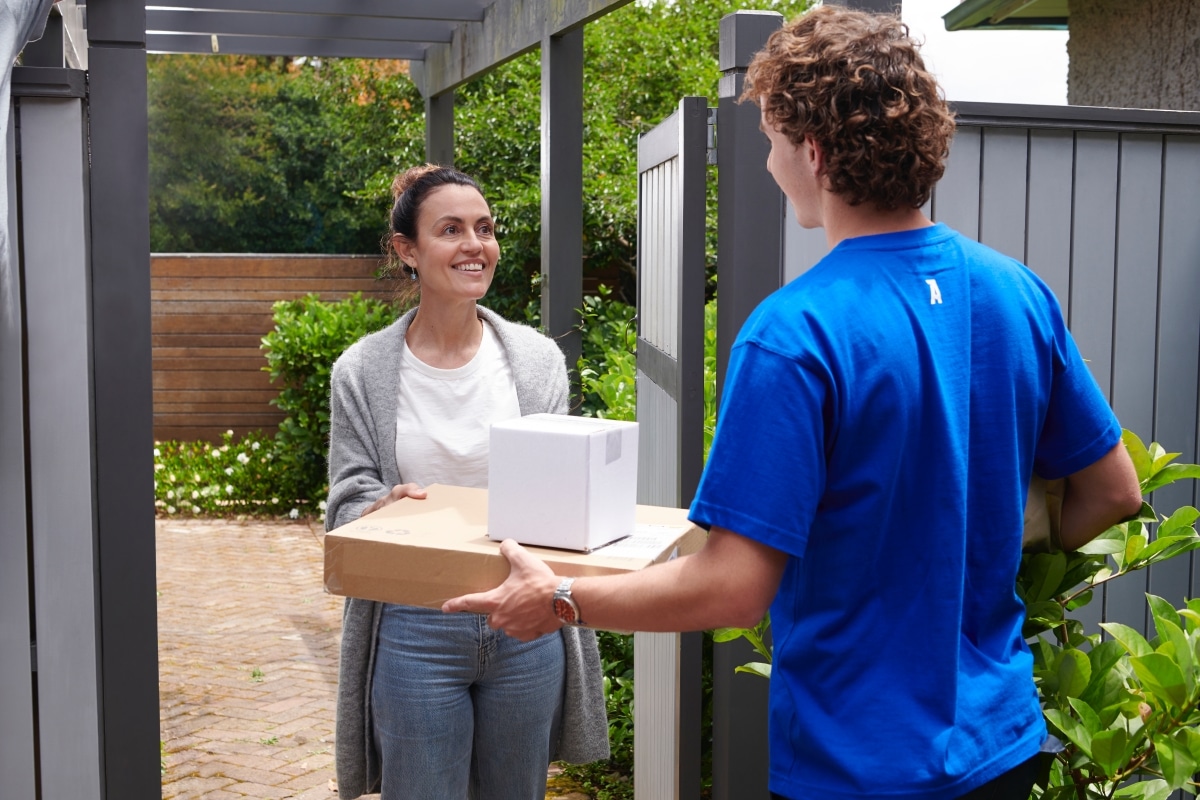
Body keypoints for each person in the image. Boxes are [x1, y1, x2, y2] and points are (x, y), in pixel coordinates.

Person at [444, 7, 1144, 800]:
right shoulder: (1019, 294)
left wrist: (562, 599)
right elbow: (1115, 492)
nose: (772, 164)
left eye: (773, 141)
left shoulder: (796, 333)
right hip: (1005, 748)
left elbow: (732, 587)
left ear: (813, 151)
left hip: (859, 767)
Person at [326, 164, 609, 800]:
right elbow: (344, 502)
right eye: (450, 230)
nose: (474, 245)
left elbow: (564, 491)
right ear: (408, 250)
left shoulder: (536, 361)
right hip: (413, 625)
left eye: (484, 228)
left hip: (524, 620)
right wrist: (382, 505)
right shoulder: (362, 371)